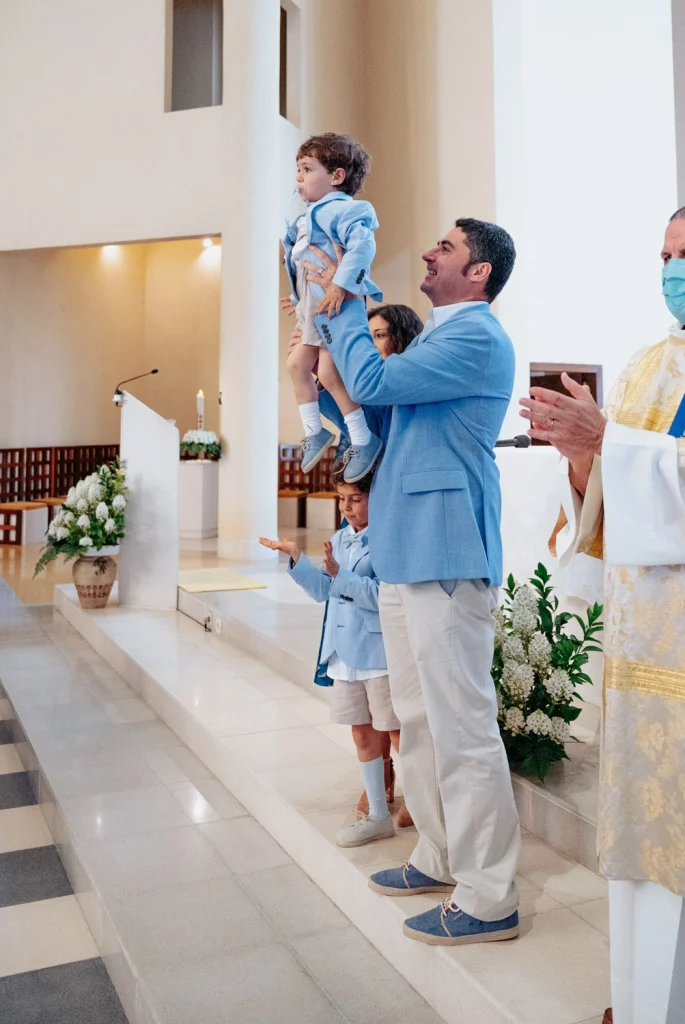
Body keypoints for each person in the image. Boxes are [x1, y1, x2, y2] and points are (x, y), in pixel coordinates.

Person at [310, 218, 521, 946]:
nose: (429, 252)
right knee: (418, 718)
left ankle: (490, 895)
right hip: (404, 549)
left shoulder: (476, 337)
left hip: (446, 547)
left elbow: (374, 379)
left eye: (446, 247)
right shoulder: (432, 338)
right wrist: (325, 331)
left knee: (461, 726)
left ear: (479, 272)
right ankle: (438, 854)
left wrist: (343, 301)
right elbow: (371, 409)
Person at [519, 206, 685, 1024]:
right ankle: (639, 1000)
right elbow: (608, 503)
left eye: (684, 254)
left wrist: (611, 440)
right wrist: (584, 458)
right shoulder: (649, 363)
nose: (671, 271)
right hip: (643, 641)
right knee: (640, 832)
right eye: (664, 255)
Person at [305, 301, 424, 823]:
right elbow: (341, 406)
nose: (371, 345)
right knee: (365, 716)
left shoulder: (406, 390)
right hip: (368, 510)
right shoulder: (370, 396)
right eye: (367, 334)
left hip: (396, 523)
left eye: (379, 335)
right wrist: (317, 329)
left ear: (402, 340)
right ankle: (382, 784)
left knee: (393, 709)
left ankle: (412, 787)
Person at [259, 461, 403, 848]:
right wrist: (297, 559)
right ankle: (378, 814)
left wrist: (342, 576)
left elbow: (387, 598)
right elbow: (326, 591)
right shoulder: (340, 538)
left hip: (378, 652)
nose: (346, 507)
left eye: (355, 498)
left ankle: (426, 805)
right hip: (343, 652)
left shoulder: (390, 538)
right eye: (341, 499)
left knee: (398, 733)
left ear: (377, 497)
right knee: (361, 732)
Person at [282, 133, 383, 483]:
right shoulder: (306, 217)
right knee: (301, 366)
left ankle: (360, 438)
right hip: (314, 304)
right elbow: (302, 264)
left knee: (322, 372)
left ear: (337, 176)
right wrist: (297, 299)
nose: (299, 177)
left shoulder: (346, 209)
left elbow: (362, 247)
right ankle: (320, 431)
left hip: (335, 302)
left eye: (307, 169)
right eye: (298, 170)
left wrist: (342, 284)